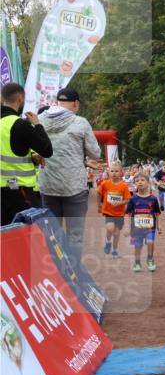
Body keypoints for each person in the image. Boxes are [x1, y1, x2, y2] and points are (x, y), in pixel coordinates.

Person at [37, 87, 102, 259]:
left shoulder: (39, 120)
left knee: (52, 234)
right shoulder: (80, 122)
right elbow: (95, 153)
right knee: (75, 236)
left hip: (48, 184)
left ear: (57, 102)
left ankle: (55, 275)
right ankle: (73, 276)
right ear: (75, 103)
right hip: (74, 186)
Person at [1, 83, 52, 225]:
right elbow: (47, 150)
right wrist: (38, 124)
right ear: (20, 99)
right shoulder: (20, 124)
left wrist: (32, 157)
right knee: (25, 238)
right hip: (19, 193)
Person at [125, 172, 161, 272]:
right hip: (136, 228)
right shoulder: (133, 199)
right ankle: (137, 262)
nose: (139, 182)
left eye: (142, 180)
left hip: (150, 227)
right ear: (134, 184)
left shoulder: (153, 199)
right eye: (137, 181)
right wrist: (127, 227)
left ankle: (150, 259)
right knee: (138, 246)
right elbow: (127, 214)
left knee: (150, 242)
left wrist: (159, 225)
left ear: (148, 183)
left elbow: (157, 213)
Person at [97, 162, 131, 258]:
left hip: (120, 213)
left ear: (121, 172)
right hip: (108, 211)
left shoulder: (123, 186)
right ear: (108, 172)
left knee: (116, 234)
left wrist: (119, 203)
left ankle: (115, 251)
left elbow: (127, 199)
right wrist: (99, 205)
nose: (114, 173)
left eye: (116, 171)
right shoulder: (105, 184)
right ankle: (108, 242)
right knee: (110, 228)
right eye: (112, 171)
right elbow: (98, 193)